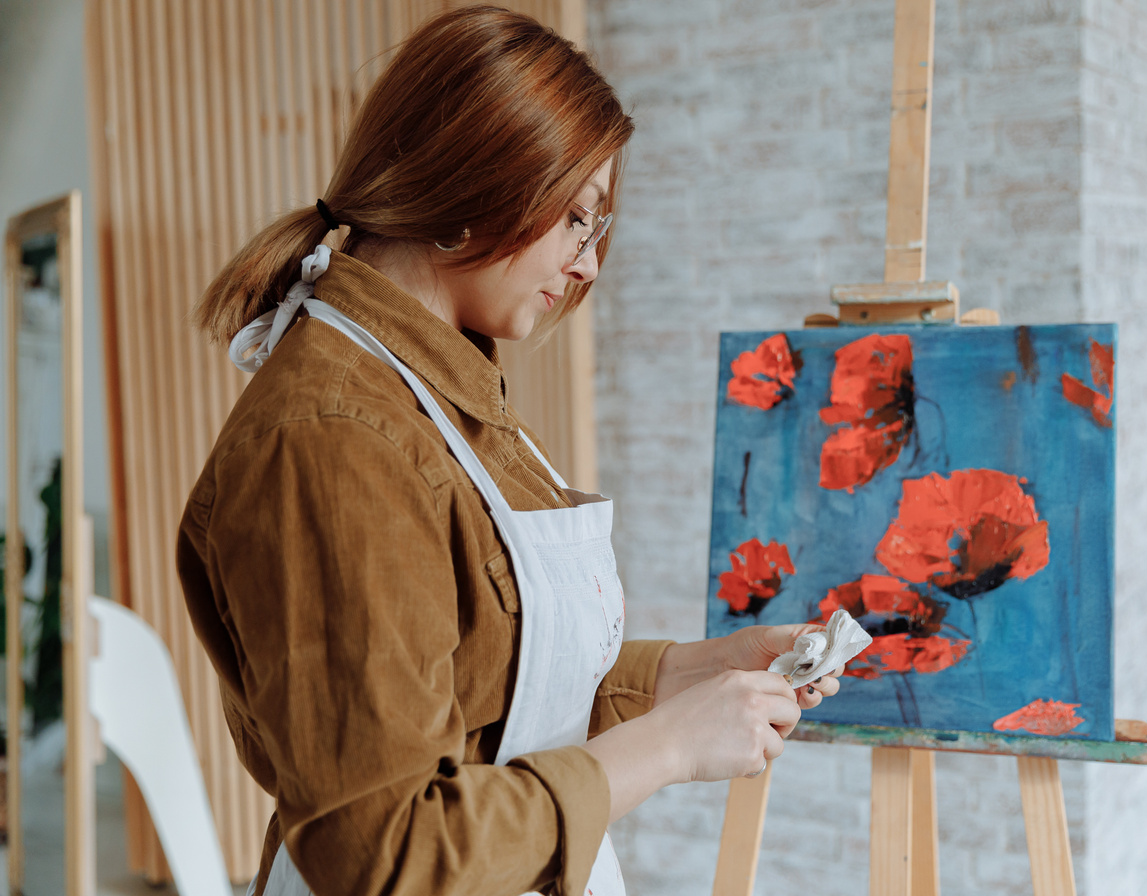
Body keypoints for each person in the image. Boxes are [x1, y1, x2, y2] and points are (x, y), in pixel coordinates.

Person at [177, 7, 839, 895]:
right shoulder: (334, 438)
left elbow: (499, 692)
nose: (588, 265)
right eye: (577, 219)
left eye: (596, 230)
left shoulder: (444, 392)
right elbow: (387, 851)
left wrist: (696, 673)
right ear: (477, 179)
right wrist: (670, 746)